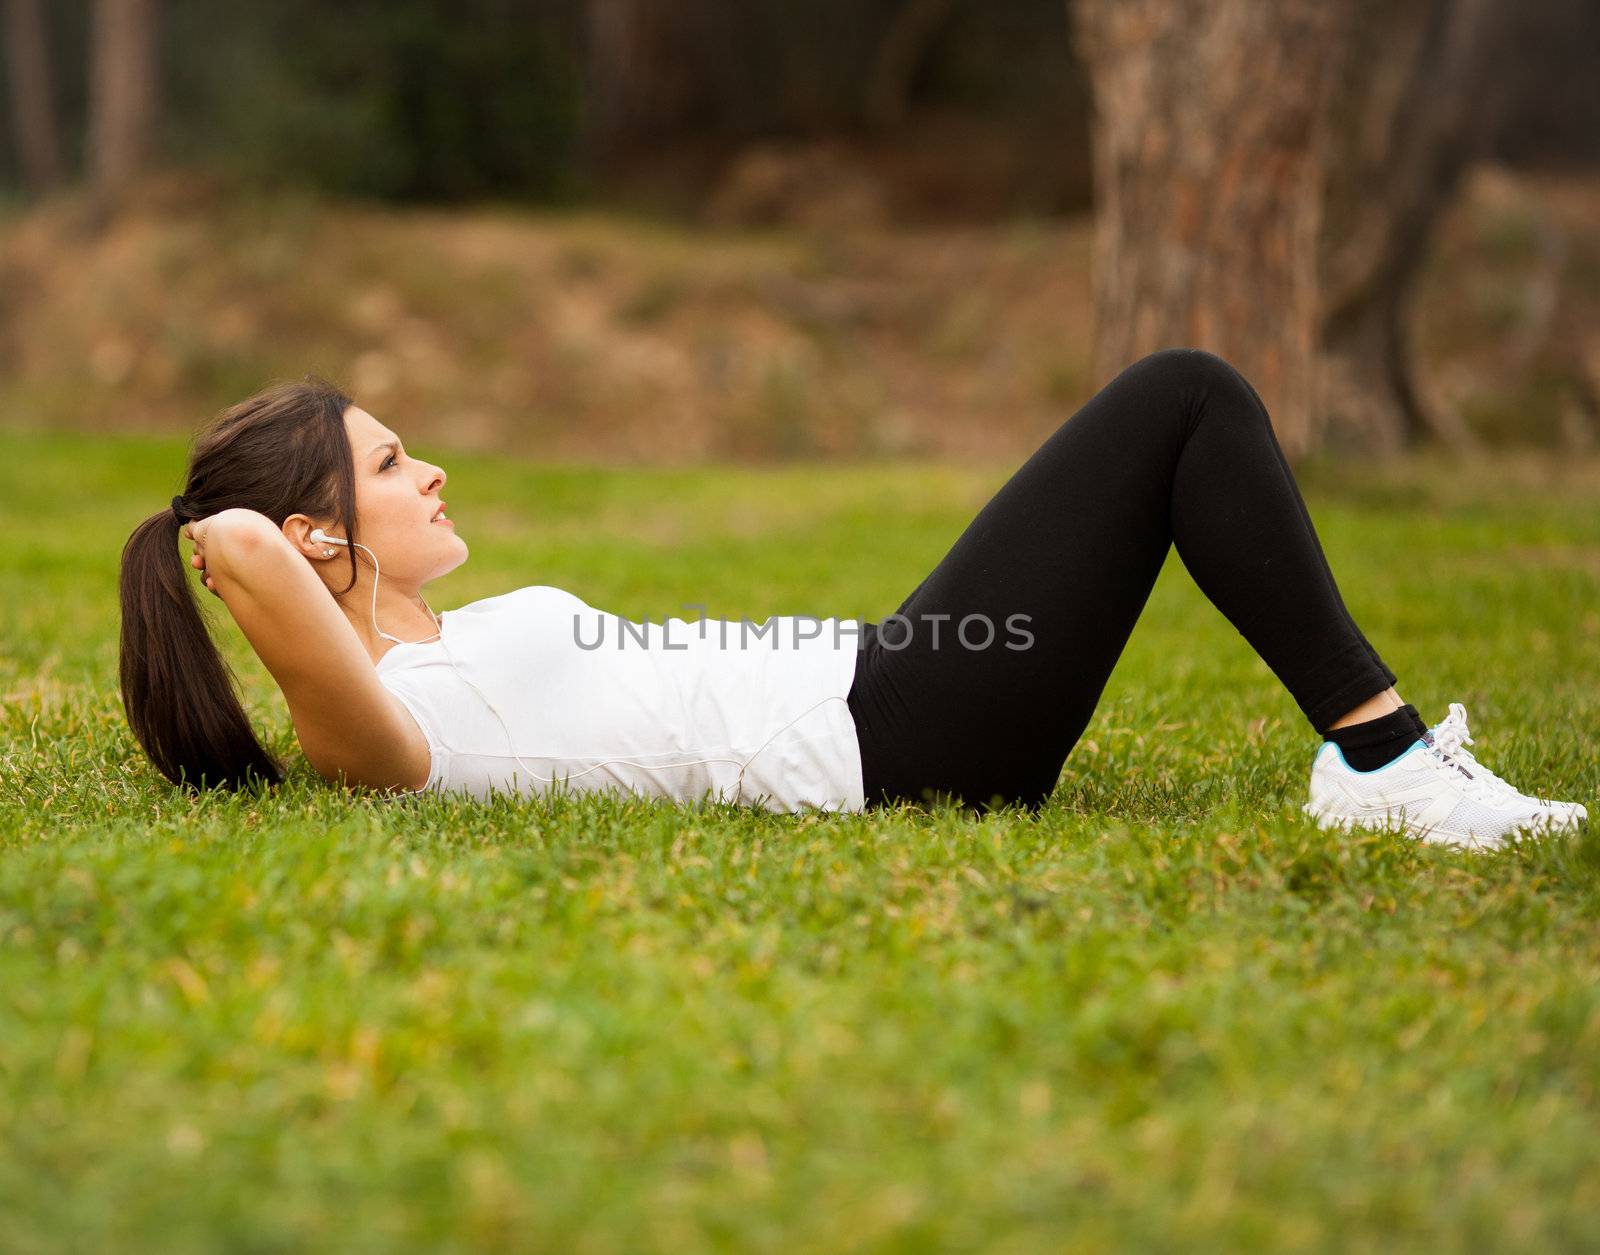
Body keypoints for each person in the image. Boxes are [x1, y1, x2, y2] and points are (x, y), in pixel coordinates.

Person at [119, 349, 1587, 850]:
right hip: (901, 733)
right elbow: (241, 550)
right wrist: (234, 526)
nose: (430, 470)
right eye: (387, 463)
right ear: (316, 537)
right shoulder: (381, 728)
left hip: (892, 683)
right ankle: (1385, 766)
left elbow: (269, 545)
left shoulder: (434, 658)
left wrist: (300, 517)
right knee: (1182, 400)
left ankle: (1383, 762)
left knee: (1180, 407)